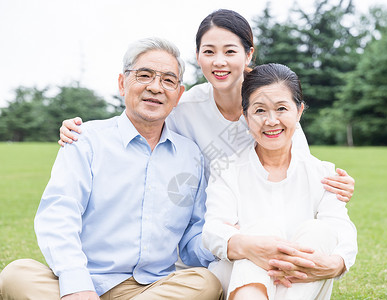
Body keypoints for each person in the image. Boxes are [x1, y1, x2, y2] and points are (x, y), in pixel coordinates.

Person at [57, 9, 355, 280]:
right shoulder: (184, 107)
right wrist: (86, 131)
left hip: (268, 227)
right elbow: (144, 114)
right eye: (209, 51)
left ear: (249, 54)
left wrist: (336, 186)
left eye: (230, 51)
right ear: (198, 56)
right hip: (215, 234)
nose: (219, 61)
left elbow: (299, 173)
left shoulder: (274, 107)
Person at [0, 37, 223, 300]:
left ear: (178, 95)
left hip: (152, 289)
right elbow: (59, 215)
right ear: (122, 83)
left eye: (168, 80)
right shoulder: (85, 140)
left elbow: (191, 240)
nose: (155, 87)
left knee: (205, 283)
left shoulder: (190, 155)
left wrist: (228, 240)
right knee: (17, 274)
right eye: (144, 75)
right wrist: (77, 286)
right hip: (82, 281)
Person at [202, 63, 358, 300]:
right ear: (245, 116)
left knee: (320, 231)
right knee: (262, 233)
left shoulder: (322, 173)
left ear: (299, 111)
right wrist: (250, 246)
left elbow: (341, 229)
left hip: (302, 283)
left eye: (281, 108)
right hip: (238, 279)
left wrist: (338, 264)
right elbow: (213, 230)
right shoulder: (227, 170)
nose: (271, 121)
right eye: (260, 111)